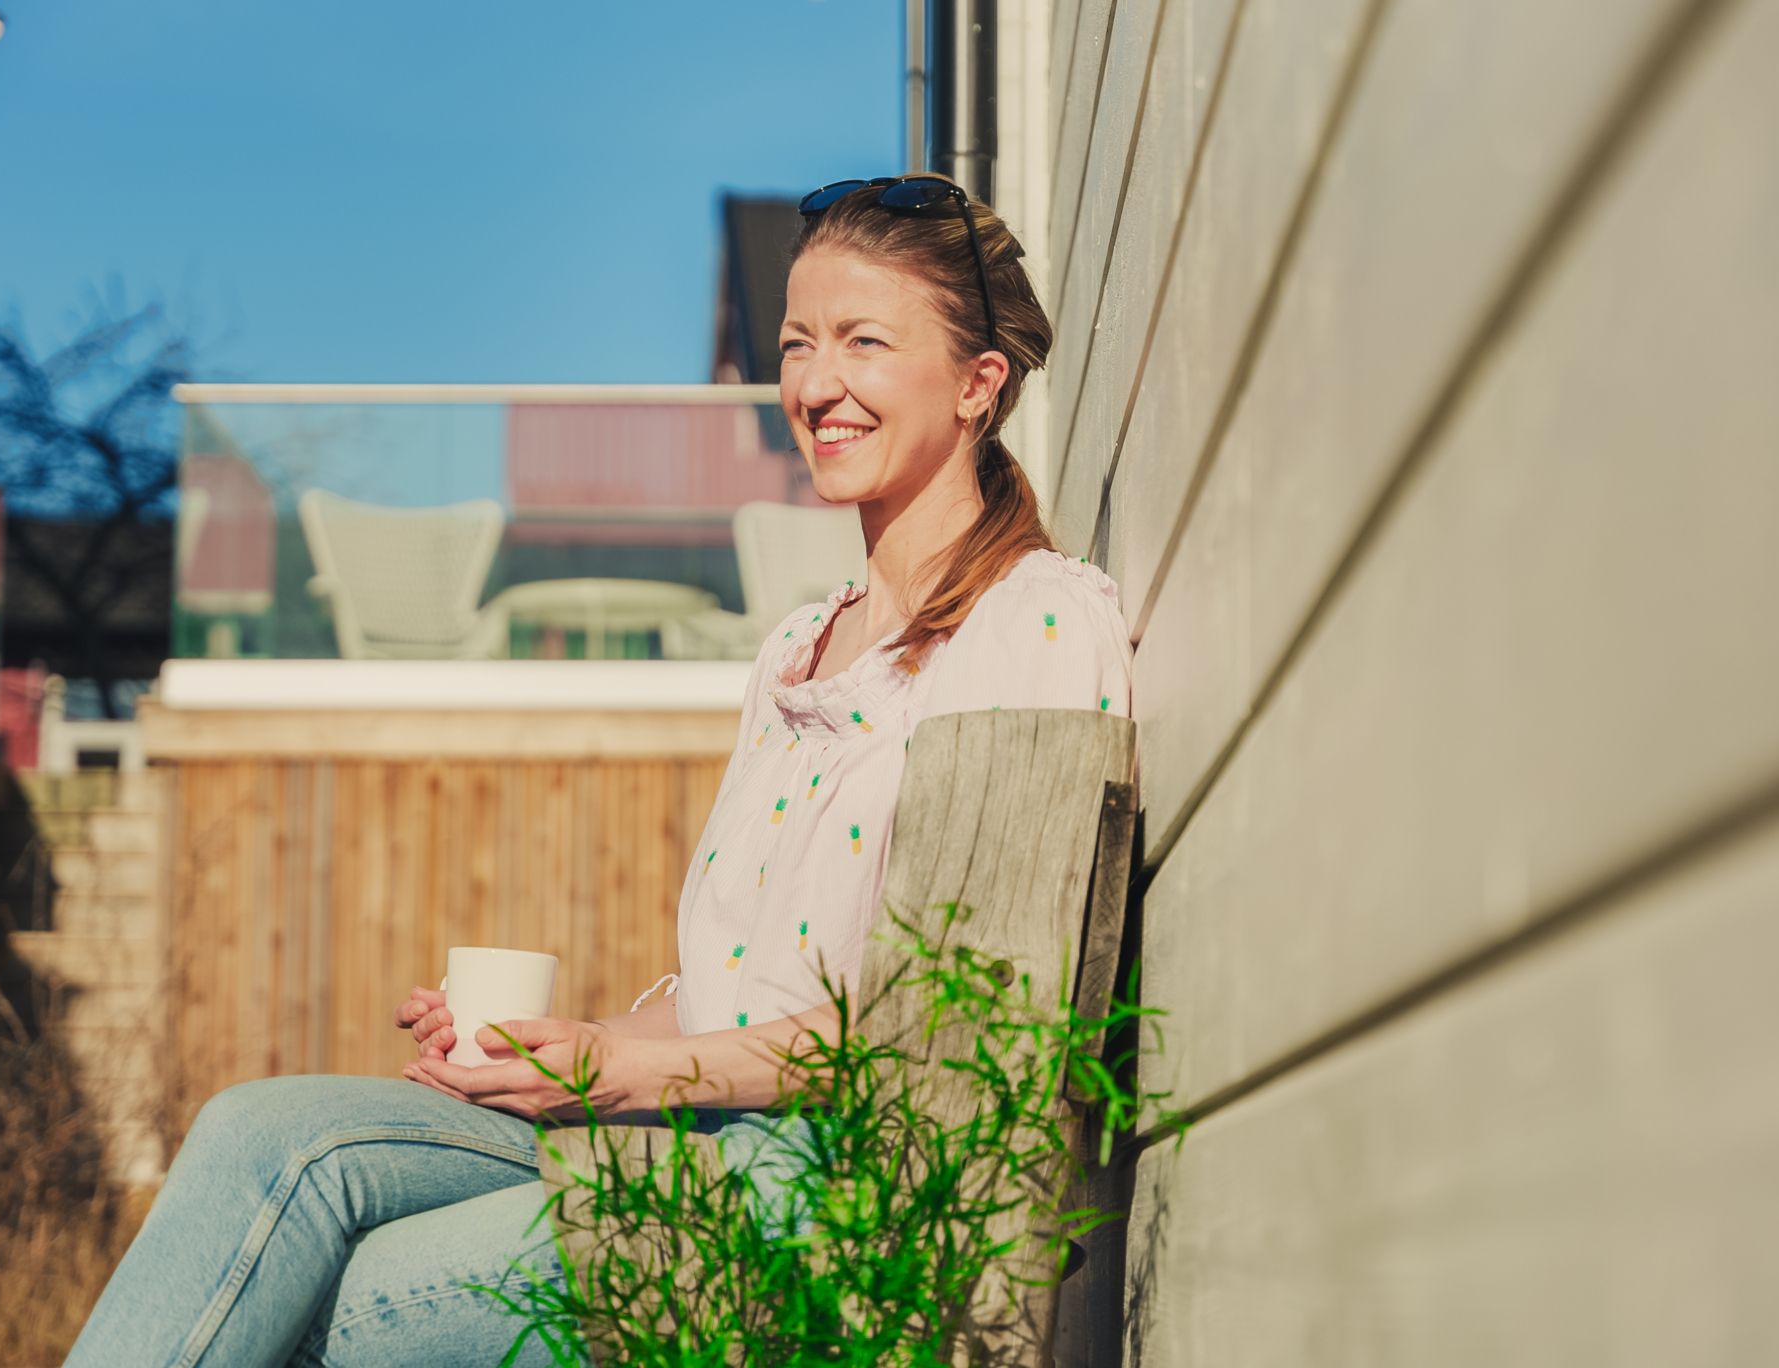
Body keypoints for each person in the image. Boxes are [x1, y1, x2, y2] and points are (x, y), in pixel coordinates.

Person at [63, 173, 1136, 1368]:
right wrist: (559, 1048)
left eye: (863, 343)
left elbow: (962, 1030)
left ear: (977, 383)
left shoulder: (1031, 624)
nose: (816, 384)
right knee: (260, 1138)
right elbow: (737, 991)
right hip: (690, 1132)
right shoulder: (798, 648)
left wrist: (633, 1077)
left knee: (346, 1303)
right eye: (797, 344)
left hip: (833, 1194)